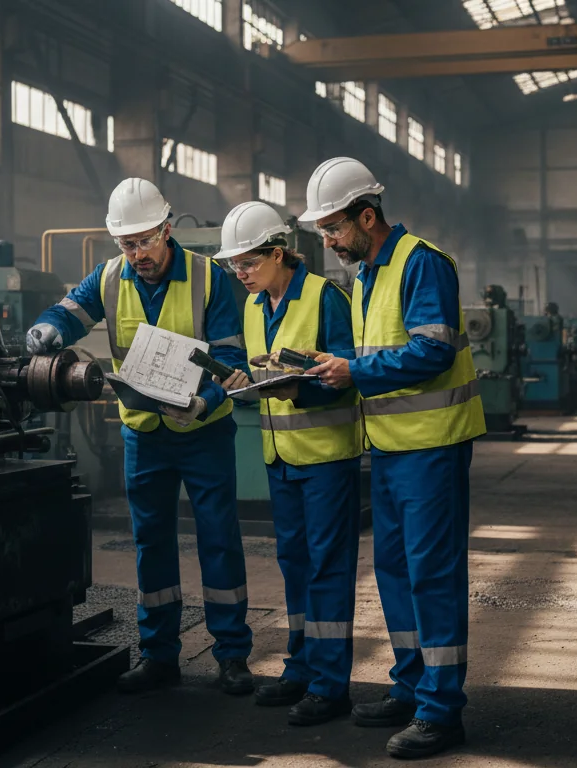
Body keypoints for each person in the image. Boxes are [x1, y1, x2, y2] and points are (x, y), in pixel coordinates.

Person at [26, 178, 255, 696]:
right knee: (152, 545)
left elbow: (233, 363)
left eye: (145, 240)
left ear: (167, 229)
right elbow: (68, 313)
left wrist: (204, 404)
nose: (137, 253)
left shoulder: (208, 279)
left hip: (202, 432)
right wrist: (45, 330)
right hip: (144, 435)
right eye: (127, 243)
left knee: (219, 541)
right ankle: (159, 656)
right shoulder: (109, 277)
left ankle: (232, 656)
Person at [302, 157, 486, 759]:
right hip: (389, 447)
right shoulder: (366, 276)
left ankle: (442, 710)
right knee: (396, 573)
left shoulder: (421, 264)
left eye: (333, 229)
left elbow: (430, 353)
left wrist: (353, 371)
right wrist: (329, 368)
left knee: (432, 576)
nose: (328, 242)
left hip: (431, 448)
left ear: (367, 216)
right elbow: (379, 355)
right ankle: (411, 687)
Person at [209, 201, 363, 726]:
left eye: (248, 264)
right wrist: (242, 384)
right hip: (280, 456)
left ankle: (329, 685)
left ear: (279, 253)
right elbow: (264, 377)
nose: (242, 275)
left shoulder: (326, 298)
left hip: (325, 459)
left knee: (327, 569)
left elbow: (348, 378)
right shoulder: (254, 308)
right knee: (294, 565)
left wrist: (301, 388)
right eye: (235, 267)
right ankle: (300, 667)